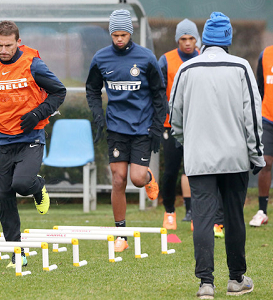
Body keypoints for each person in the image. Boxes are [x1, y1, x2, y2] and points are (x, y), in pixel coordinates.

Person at [169, 12, 263, 298]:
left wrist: (188, 142)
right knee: (234, 218)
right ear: (228, 39)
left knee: (203, 219)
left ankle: (205, 284)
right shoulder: (242, 67)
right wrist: (256, 154)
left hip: (199, 160)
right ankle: (236, 280)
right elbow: (253, 118)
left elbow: (175, 117)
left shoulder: (187, 69)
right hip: (235, 159)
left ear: (204, 39)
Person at [0, 20, 66, 268]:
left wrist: (37, 114)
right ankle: (16, 252)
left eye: (8, 45)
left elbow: (59, 92)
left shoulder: (32, 64)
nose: (4, 50)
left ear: (18, 42)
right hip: (0, 139)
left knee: (21, 184)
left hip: (29, 137)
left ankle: (38, 185)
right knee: (4, 196)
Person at [86, 9, 166, 252]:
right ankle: (121, 233)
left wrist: (157, 127)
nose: (119, 39)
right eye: (115, 35)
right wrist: (98, 116)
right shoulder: (101, 58)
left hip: (142, 127)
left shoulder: (146, 58)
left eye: (123, 34)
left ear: (130, 33)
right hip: (117, 128)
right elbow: (91, 89)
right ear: (110, 34)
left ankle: (149, 178)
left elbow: (158, 93)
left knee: (137, 179)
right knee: (118, 179)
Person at [158, 19, 200, 230]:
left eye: (191, 38)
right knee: (171, 171)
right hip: (171, 125)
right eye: (183, 38)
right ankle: (169, 212)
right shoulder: (166, 60)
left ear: (197, 39)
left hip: (198, 126)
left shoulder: (203, 58)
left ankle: (193, 212)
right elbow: (158, 92)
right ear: (177, 40)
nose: (187, 43)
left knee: (194, 170)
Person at [251, 40, 273, 227]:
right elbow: (260, 87)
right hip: (268, 118)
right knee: (265, 162)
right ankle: (262, 211)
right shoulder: (265, 54)